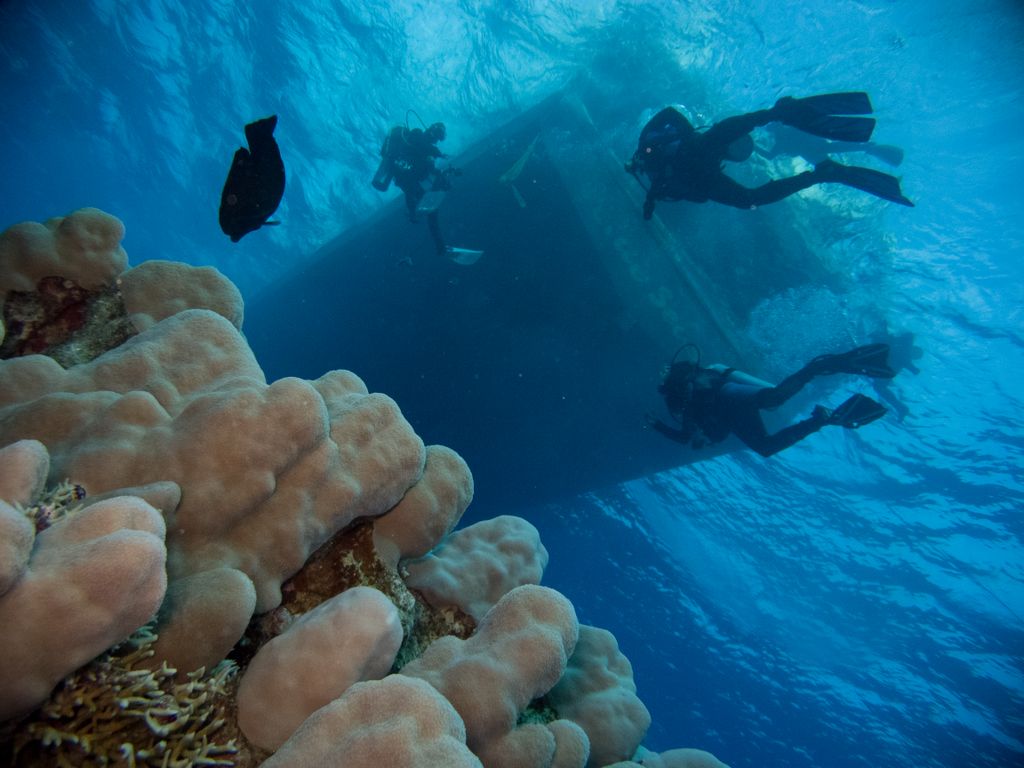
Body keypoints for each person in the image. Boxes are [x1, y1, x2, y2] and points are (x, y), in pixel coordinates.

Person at [625, 92, 913, 219]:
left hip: (699, 169)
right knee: (748, 198)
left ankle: (821, 171)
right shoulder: (685, 153)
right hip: (699, 169)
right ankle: (821, 171)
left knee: (747, 198)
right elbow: (674, 116)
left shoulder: (689, 154)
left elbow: (673, 116)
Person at [648, 343, 896, 457]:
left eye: (700, 442)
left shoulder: (687, 409)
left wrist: (656, 425)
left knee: (774, 397)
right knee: (765, 448)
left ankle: (824, 365)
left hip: (724, 392)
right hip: (734, 412)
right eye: (704, 444)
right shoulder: (703, 425)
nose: (704, 442)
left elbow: (684, 436)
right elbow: (690, 437)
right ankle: (822, 419)